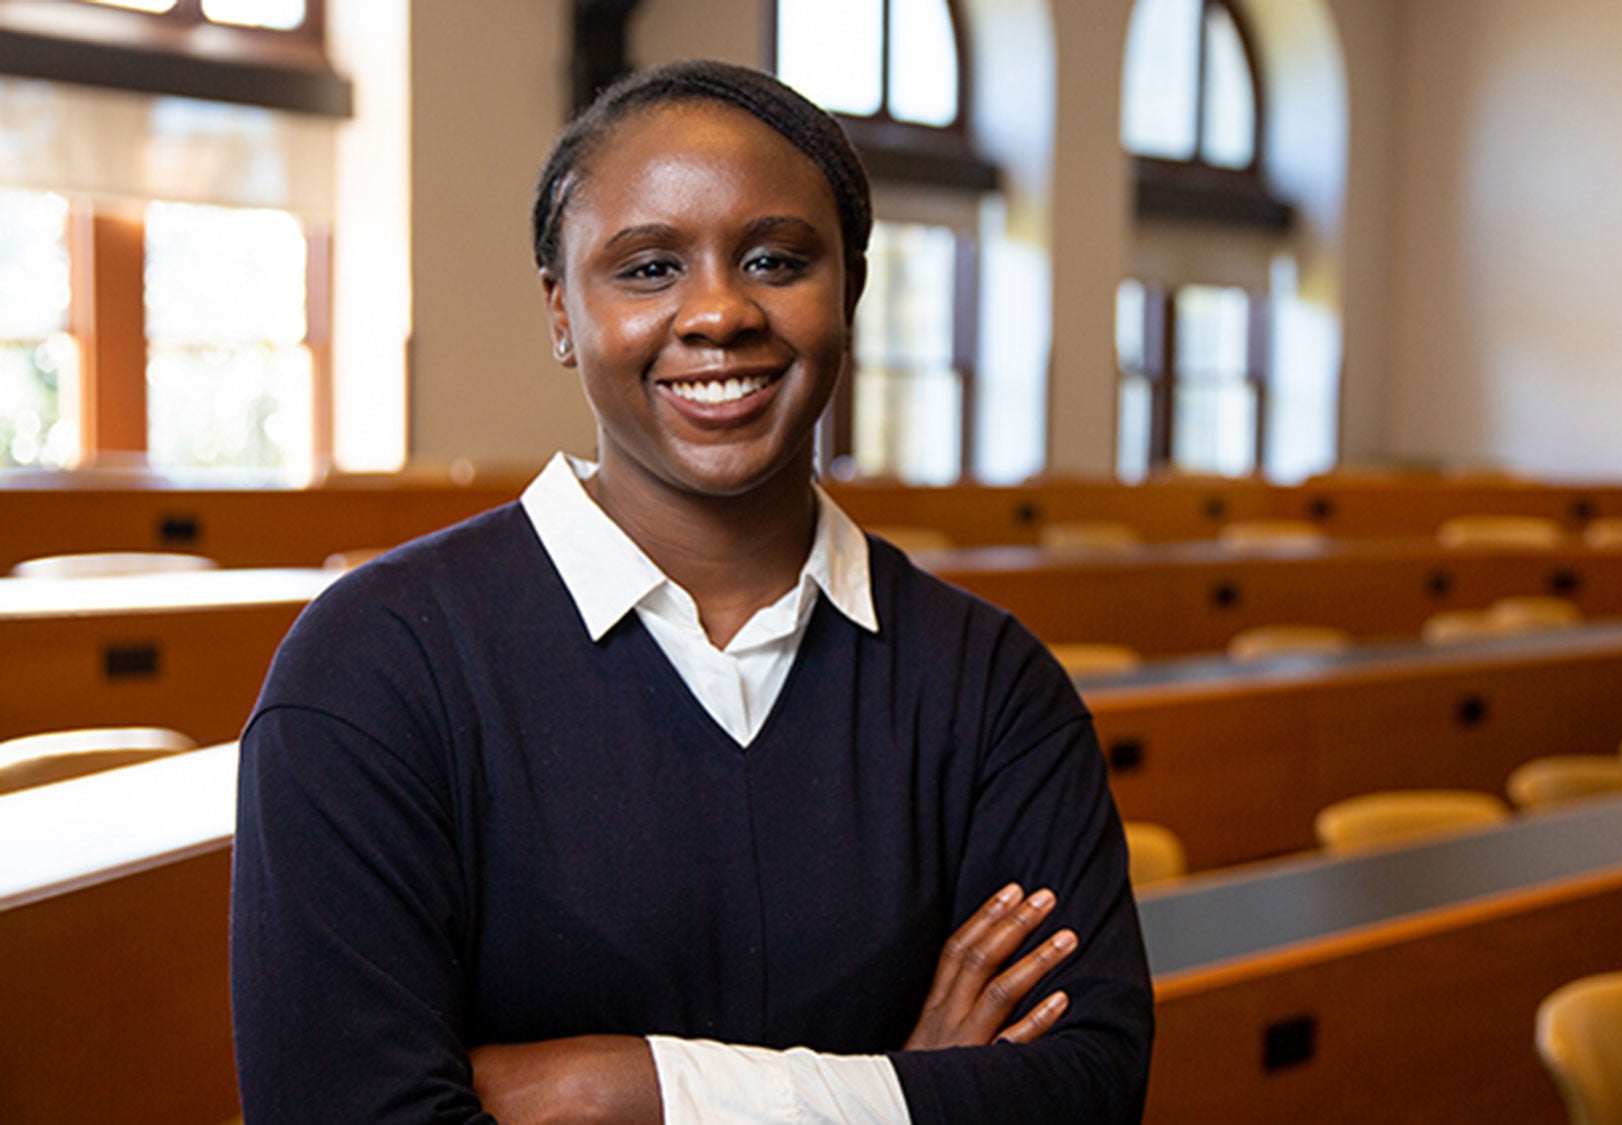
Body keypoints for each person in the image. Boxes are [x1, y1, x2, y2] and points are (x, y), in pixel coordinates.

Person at [230, 59, 1153, 1124]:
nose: (717, 311)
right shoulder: (371, 669)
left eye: (774, 259)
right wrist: (912, 1091)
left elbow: (1085, 1090)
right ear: (560, 313)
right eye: (647, 268)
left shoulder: (992, 689)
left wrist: (618, 1089)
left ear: (847, 289)